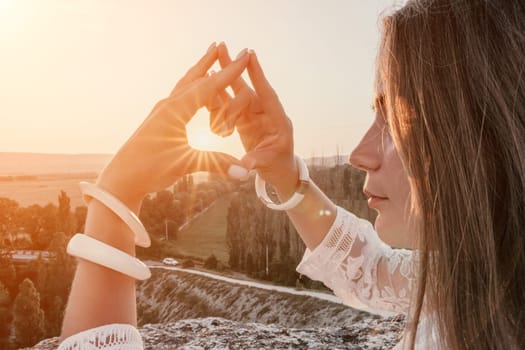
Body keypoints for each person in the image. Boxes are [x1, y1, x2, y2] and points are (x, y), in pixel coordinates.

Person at [58, 0, 525, 349]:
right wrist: (285, 174)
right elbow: (373, 269)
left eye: (399, 119)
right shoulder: (492, 278)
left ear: (494, 135)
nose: (360, 154)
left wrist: (115, 199)